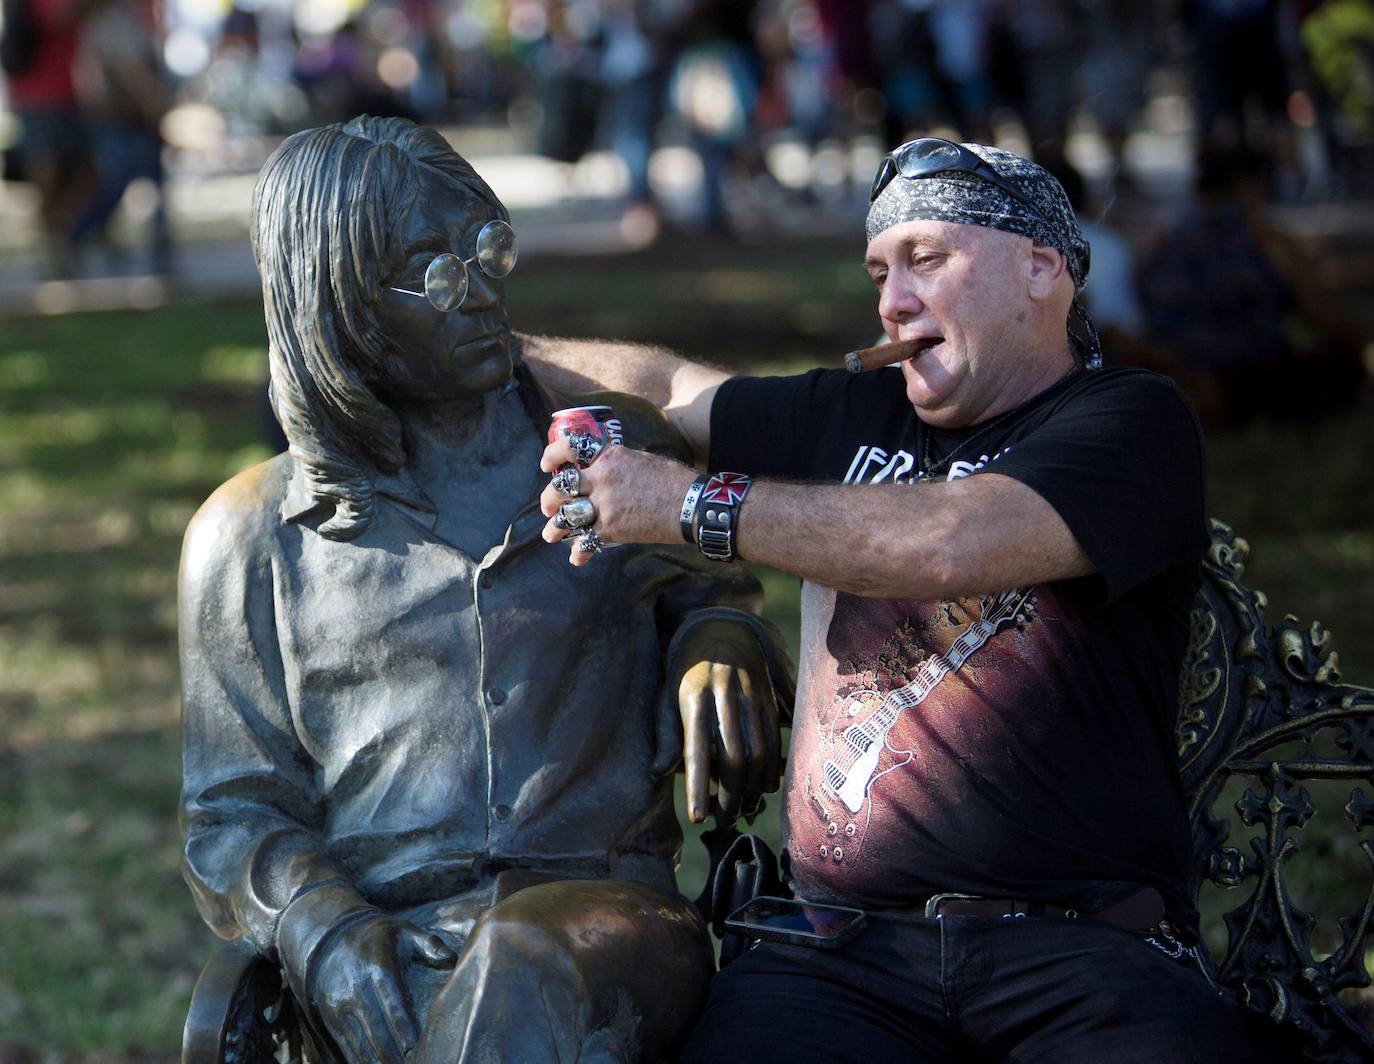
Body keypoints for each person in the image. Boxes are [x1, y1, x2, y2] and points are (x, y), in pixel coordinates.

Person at [529, 138, 1259, 1061]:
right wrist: (468, 341)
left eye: (926, 259)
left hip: (1083, 953)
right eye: (880, 272)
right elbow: (667, 387)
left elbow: (949, 541)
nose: (892, 301)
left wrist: (687, 505)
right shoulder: (852, 413)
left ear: (1042, 271)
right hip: (840, 956)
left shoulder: (1131, 421)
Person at [178, 115, 792, 1064]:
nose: (479, 293)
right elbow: (231, 812)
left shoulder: (613, 455)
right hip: (382, 956)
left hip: (608, 932)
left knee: (522, 958)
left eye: (488, 247)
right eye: (431, 274)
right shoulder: (248, 536)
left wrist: (723, 642)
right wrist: (322, 927)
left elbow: (713, 595)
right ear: (338, 302)